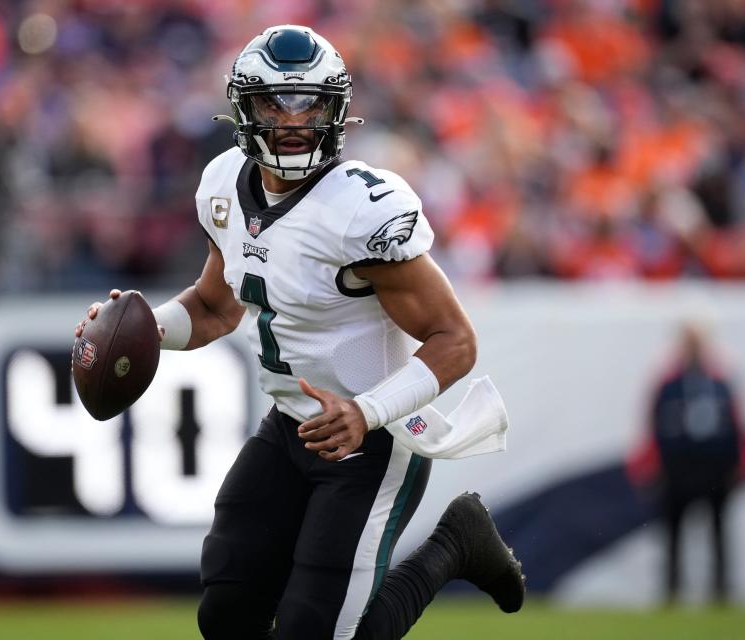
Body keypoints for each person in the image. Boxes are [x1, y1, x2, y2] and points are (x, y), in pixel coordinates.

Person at [76, 25, 524, 639]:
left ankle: (454, 545)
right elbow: (213, 308)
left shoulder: (361, 211)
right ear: (243, 108)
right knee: (227, 613)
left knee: (316, 633)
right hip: (290, 428)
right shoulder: (225, 184)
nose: (291, 121)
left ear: (335, 109)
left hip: (371, 443)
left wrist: (366, 412)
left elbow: (456, 340)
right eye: (273, 104)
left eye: (308, 103)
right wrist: (140, 330)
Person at [629, 322, 745, 605]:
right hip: (677, 468)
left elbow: (738, 422)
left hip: (715, 467)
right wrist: (649, 464)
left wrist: (744, 459)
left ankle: (721, 592)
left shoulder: (720, 381)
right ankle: (672, 591)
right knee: (673, 534)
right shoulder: (668, 384)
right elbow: (653, 425)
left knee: (718, 532)